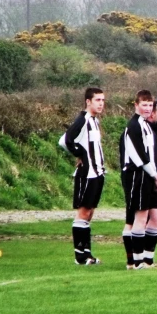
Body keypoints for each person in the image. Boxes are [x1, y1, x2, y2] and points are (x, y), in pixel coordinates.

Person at [59, 87, 106, 265]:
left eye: (102, 100)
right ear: (88, 101)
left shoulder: (95, 121)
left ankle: (87, 253)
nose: (101, 103)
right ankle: (80, 256)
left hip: (98, 172)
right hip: (87, 173)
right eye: (97, 100)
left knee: (90, 212)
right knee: (83, 212)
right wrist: (80, 154)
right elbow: (65, 140)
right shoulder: (83, 119)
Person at [123, 90, 157, 269]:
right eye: (144, 105)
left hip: (149, 174)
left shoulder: (146, 124)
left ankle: (147, 259)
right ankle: (137, 261)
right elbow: (139, 157)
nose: (147, 108)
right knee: (140, 217)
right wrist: (155, 177)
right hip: (137, 175)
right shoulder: (133, 126)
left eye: (150, 105)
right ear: (136, 105)